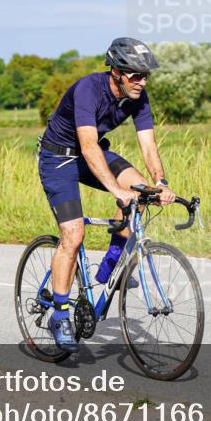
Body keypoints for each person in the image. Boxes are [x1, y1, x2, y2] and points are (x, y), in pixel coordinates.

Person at [37, 37, 175, 352]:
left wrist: (161, 182)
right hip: (59, 158)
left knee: (140, 192)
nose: (141, 82)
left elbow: (148, 145)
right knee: (73, 234)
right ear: (115, 71)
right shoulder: (88, 89)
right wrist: (115, 189)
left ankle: (110, 263)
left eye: (145, 76)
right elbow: (86, 146)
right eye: (135, 75)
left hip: (94, 154)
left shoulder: (139, 97)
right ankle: (60, 316)